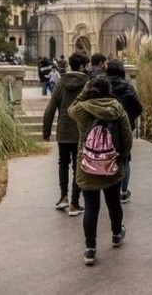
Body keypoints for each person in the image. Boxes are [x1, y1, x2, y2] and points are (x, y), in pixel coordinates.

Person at [68, 76, 133, 266]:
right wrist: (120, 157)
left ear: (90, 90)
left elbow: (70, 108)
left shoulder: (82, 109)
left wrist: (83, 91)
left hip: (87, 165)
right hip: (111, 165)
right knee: (113, 202)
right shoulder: (117, 108)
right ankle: (115, 234)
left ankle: (90, 248)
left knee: (91, 206)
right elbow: (127, 137)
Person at [42, 52, 90, 216]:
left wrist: (46, 131)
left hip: (63, 130)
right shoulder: (87, 84)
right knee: (78, 166)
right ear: (82, 66)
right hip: (81, 131)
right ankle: (75, 203)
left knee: (63, 163)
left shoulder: (61, 83)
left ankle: (63, 197)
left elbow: (50, 108)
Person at [105, 59, 143, 203]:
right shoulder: (127, 87)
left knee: (106, 155)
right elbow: (138, 108)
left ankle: (108, 188)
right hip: (124, 127)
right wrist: (129, 117)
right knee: (125, 158)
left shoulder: (102, 86)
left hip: (105, 126)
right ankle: (123, 191)